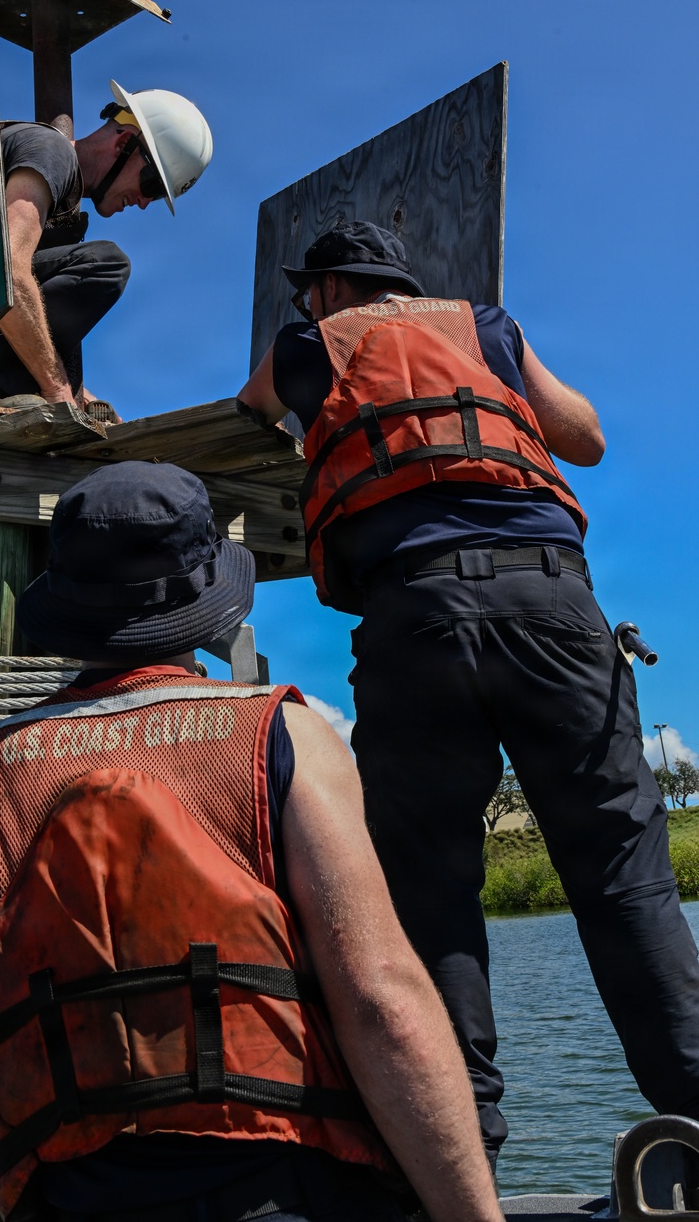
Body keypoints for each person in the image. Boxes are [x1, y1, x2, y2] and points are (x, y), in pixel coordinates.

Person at [0, 461, 503, 1222]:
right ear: (209, 604)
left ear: (64, 605)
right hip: (286, 1194)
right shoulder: (278, 736)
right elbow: (382, 996)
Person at [237, 220, 699, 1166]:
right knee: (621, 875)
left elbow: (249, 414)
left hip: (415, 619)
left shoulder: (306, 346)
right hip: (553, 602)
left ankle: (460, 1151)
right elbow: (587, 438)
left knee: (430, 895)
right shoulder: (487, 326)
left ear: (328, 290)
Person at [0, 81, 212, 412]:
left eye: (157, 197)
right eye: (150, 185)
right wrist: (57, 390)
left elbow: (27, 301)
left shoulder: (62, 202)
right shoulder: (53, 152)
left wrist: (80, 394)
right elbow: (6, 269)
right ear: (124, 142)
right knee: (107, 264)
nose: (143, 202)